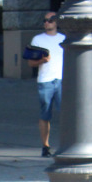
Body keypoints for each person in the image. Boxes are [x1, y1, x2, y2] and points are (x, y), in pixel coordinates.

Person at [27, 11, 65, 156]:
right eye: (44, 20)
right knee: (45, 114)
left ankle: (65, 144)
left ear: (56, 22)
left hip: (62, 80)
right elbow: (30, 63)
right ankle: (45, 146)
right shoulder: (37, 40)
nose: (46, 23)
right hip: (45, 81)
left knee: (65, 114)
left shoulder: (64, 39)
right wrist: (43, 60)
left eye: (49, 20)